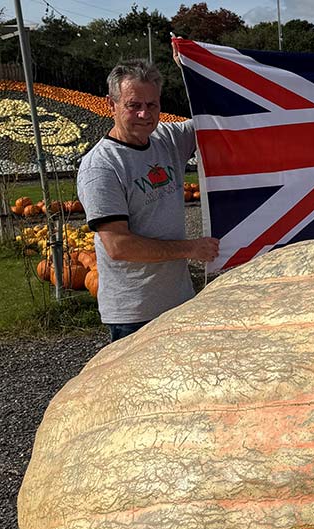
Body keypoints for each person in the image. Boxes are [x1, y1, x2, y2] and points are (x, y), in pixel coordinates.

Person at [77, 58, 219, 341]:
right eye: (134, 105)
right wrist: (190, 249)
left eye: (152, 105)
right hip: (135, 314)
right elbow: (118, 246)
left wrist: (194, 68)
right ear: (111, 104)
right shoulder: (102, 166)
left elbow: (215, 118)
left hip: (179, 302)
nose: (145, 114)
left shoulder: (167, 138)